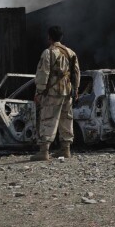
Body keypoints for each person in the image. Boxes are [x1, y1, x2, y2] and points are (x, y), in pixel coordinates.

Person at [31, 25, 80, 161]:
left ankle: (44, 151)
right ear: (61, 37)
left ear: (49, 37)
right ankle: (66, 150)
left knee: (48, 119)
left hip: (52, 92)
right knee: (66, 119)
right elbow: (76, 73)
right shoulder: (71, 53)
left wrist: (39, 92)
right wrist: (76, 90)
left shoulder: (48, 52)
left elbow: (43, 73)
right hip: (68, 91)